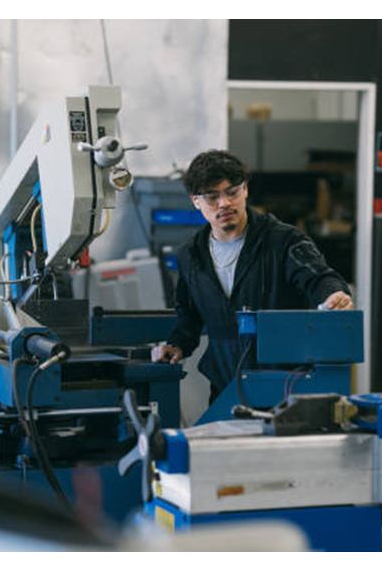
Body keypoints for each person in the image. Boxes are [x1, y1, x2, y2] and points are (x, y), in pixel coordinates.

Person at [151, 150, 353, 403]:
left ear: (245, 189)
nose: (224, 203)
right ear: (196, 201)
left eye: (232, 192)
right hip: (225, 386)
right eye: (212, 197)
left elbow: (318, 277)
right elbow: (188, 316)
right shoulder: (191, 256)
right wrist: (176, 345)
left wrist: (334, 294)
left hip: (284, 385)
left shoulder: (283, 241)